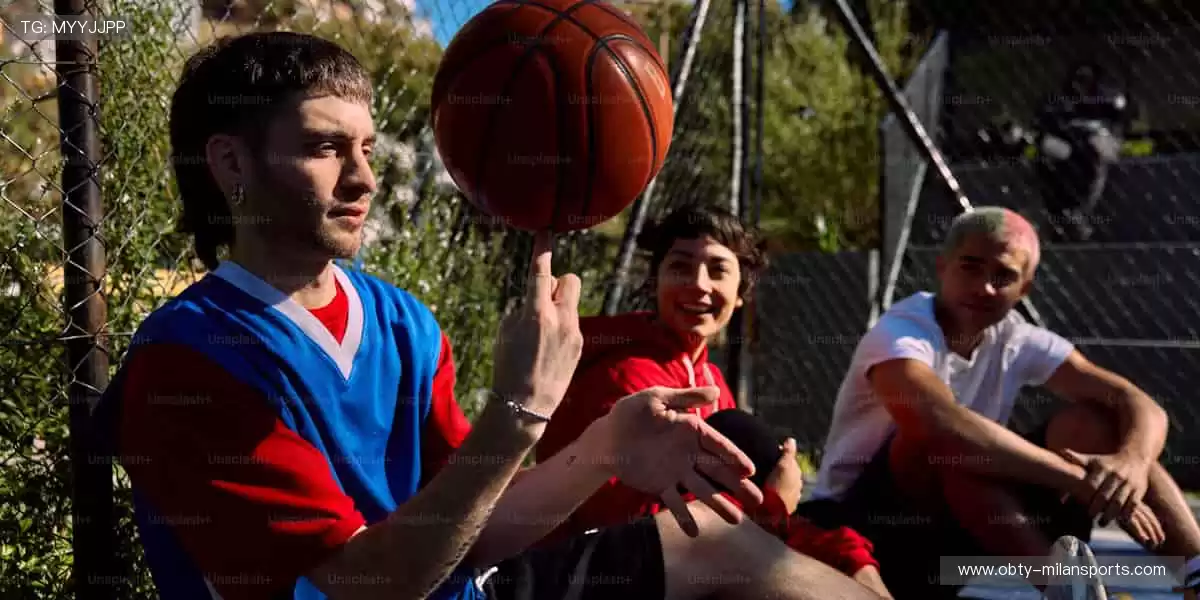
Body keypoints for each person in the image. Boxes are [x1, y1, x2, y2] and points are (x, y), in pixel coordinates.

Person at [99, 31, 890, 600]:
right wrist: (518, 416)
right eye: (324, 147)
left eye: (370, 148)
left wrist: (604, 445)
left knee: (724, 545)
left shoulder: (401, 321)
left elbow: (471, 527)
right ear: (232, 162)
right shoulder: (188, 362)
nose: (364, 177)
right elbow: (360, 587)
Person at [794, 206, 1200, 600]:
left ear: (1024, 289)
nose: (985, 286)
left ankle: (1195, 572)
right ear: (942, 267)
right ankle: (1063, 586)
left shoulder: (1015, 337)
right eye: (970, 266)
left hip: (956, 535)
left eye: (1004, 275)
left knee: (1100, 425)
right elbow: (941, 426)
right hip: (863, 531)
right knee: (948, 445)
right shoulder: (902, 330)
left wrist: (1130, 463)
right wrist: (1080, 478)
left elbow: (1137, 402)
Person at [534, 205, 893, 598]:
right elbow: (632, 534)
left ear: (741, 294)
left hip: (698, 557)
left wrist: (852, 559)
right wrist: (775, 503)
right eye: (680, 268)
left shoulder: (708, 377)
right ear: (656, 280)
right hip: (598, 577)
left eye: (718, 270)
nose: (698, 284)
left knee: (847, 555)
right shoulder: (628, 377)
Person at [1034, 62, 1133, 242]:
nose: (1081, 84)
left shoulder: (1107, 101)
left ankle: (1079, 212)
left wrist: (1090, 135)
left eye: (1087, 79)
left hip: (1096, 149)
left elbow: (1116, 130)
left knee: (1096, 145)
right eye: (1078, 78)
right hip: (1069, 151)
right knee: (1052, 147)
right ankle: (1061, 214)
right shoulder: (1060, 103)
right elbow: (1045, 131)